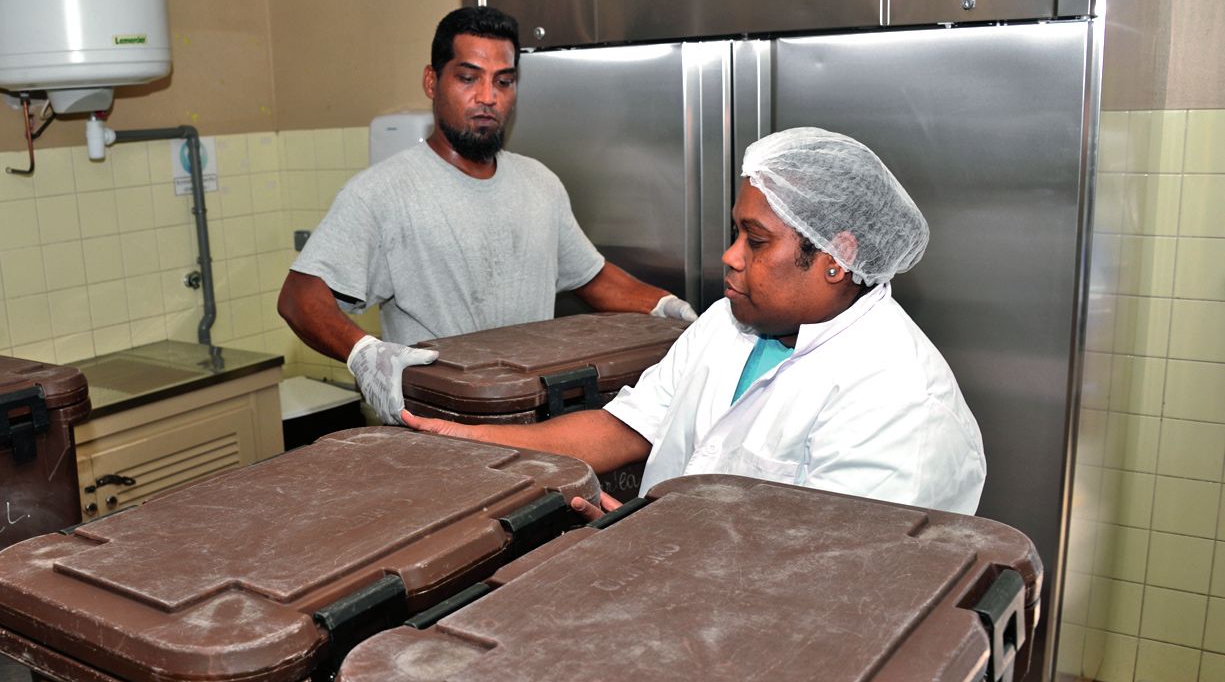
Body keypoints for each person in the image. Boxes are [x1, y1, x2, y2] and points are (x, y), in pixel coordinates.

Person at [404, 127, 987, 516]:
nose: (731, 257)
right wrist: (479, 443)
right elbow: (627, 427)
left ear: (837, 258)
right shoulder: (726, 325)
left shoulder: (900, 400)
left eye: (756, 241)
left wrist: (655, 548)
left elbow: (835, 584)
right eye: (737, 233)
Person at [277, 6, 695, 424]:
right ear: (431, 81)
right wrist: (364, 352)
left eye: (504, 81)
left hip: (541, 422)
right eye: (467, 77)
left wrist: (666, 307)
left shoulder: (540, 183)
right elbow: (299, 297)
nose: (487, 97)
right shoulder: (382, 193)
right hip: (438, 427)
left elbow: (592, 277)